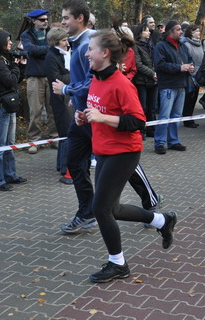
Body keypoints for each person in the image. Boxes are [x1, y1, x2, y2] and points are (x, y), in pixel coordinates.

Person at [52, 0, 162, 233]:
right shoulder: (77, 43)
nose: (62, 22)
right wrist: (77, 99)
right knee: (75, 163)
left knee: (123, 163)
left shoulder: (90, 44)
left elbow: (95, 80)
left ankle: (150, 200)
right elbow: (87, 81)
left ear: (79, 18)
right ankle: (87, 212)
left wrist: (67, 90)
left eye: (66, 18)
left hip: (99, 116)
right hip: (84, 114)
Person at [80, 28, 177, 283]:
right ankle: (161, 220)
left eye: (91, 49)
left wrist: (103, 118)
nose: (87, 53)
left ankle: (118, 264)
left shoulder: (122, 84)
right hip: (104, 150)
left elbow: (138, 121)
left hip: (124, 152)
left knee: (100, 208)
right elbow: (100, 110)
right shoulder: (97, 79)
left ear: (105, 53)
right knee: (113, 208)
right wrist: (86, 117)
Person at [0, 29, 26, 191]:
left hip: (9, 106)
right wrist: (16, 67)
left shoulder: (5, 58)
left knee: (9, 143)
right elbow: (10, 81)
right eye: (8, 40)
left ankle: (10, 175)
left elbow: (17, 80)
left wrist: (21, 66)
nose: (11, 43)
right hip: (0, 107)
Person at [19, 9, 58, 153]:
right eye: (42, 20)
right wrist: (49, 49)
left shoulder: (52, 32)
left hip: (52, 76)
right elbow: (30, 50)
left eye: (46, 19)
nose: (45, 22)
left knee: (53, 109)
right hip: (35, 77)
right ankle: (34, 141)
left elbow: (58, 48)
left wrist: (41, 50)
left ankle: (54, 138)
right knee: (35, 110)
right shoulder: (26, 34)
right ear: (34, 21)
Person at [153, 21, 194, 154]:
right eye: (178, 30)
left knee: (176, 115)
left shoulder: (182, 46)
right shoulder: (161, 46)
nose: (181, 32)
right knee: (164, 115)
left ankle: (173, 141)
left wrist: (190, 66)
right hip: (168, 85)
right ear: (170, 31)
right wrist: (179, 67)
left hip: (181, 84)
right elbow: (159, 65)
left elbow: (189, 58)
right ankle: (159, 142)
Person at [44, 27, 73, 183]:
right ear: (56, 42)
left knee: (66, 131)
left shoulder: (66, 54)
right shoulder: (51, 57)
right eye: (63, 40)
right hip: (59, 99)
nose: (67, 43)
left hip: (67, 95)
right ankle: (64, 167)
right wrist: (73, 74)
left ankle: (63, 164)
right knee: (65, 131)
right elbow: (56, 78)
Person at [131, 24, 157, 138]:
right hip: (142, 81)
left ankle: (152, 128)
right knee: (143, 106)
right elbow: (138, 64)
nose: (149, 32)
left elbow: (155, 61)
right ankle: (142, 130)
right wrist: (152, 73)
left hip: (153, 81)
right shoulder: (135, 46)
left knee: (152, 107)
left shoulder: (152, 45)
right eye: (146, 31)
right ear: (140, 33)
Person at [181, 24, 204, 128]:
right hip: (190, 75)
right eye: (197, 31)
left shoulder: (199, 44)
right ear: (191, 33)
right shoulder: (186, 44)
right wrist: (192, 70)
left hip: (199, 74)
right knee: (189, 98)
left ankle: (189, 117)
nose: (199, 33)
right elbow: (186, 59)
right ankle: (187, 119)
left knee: (194, 98)